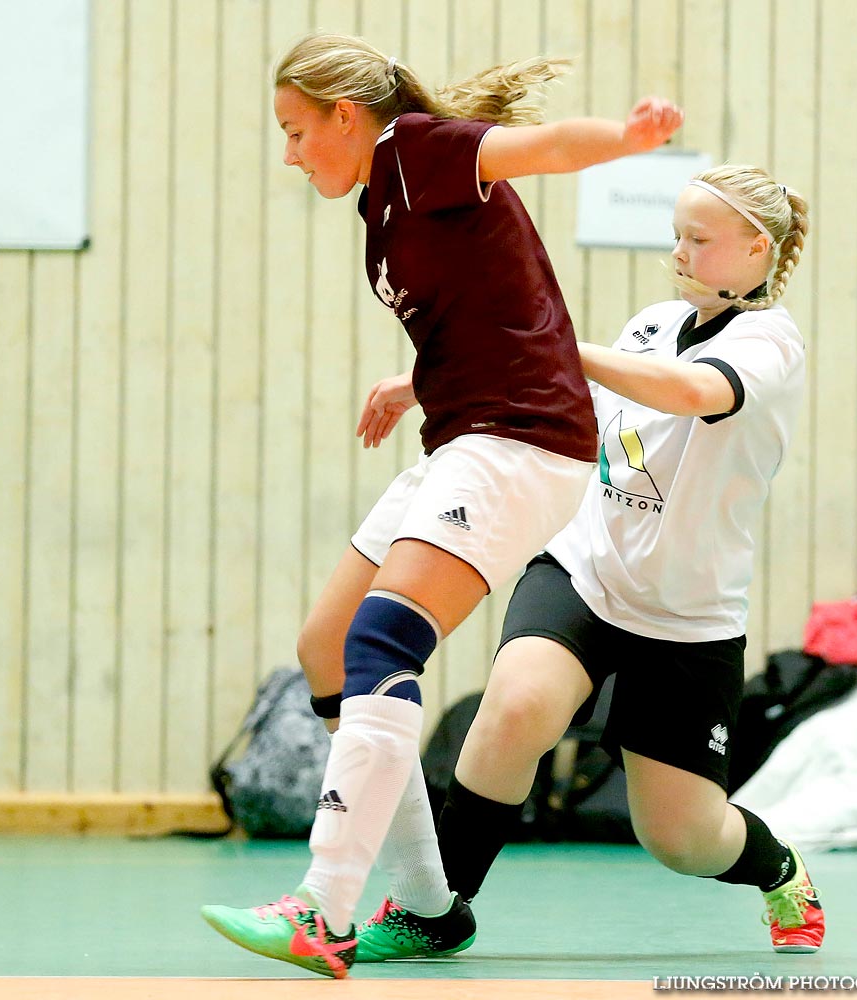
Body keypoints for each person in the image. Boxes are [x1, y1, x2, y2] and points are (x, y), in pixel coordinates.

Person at [199, 30, 683, 978]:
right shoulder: (383, 199)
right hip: (469, 436)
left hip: (523, 446)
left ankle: (323, 908)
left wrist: (625, 140)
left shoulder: (415, 150)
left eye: (297, 132)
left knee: (384, 642)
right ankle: (427, 905)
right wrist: (418, 381)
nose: (290, 156)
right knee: (329, 647)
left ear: (347, 116)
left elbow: (535, 150)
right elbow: (495, 309)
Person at [350, 164, 819, 965]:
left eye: (700, 239)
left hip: (687, 615)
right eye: (677, 233)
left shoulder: (772, 343)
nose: (680, 251)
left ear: (756, 249)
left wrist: (575, 342)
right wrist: (427, 382)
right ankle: (438, 907)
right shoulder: (648, 325)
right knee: (515, 709)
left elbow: (692, 392)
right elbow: (549, 389)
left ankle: (777, 866)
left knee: (681, 836)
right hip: (584, 571)